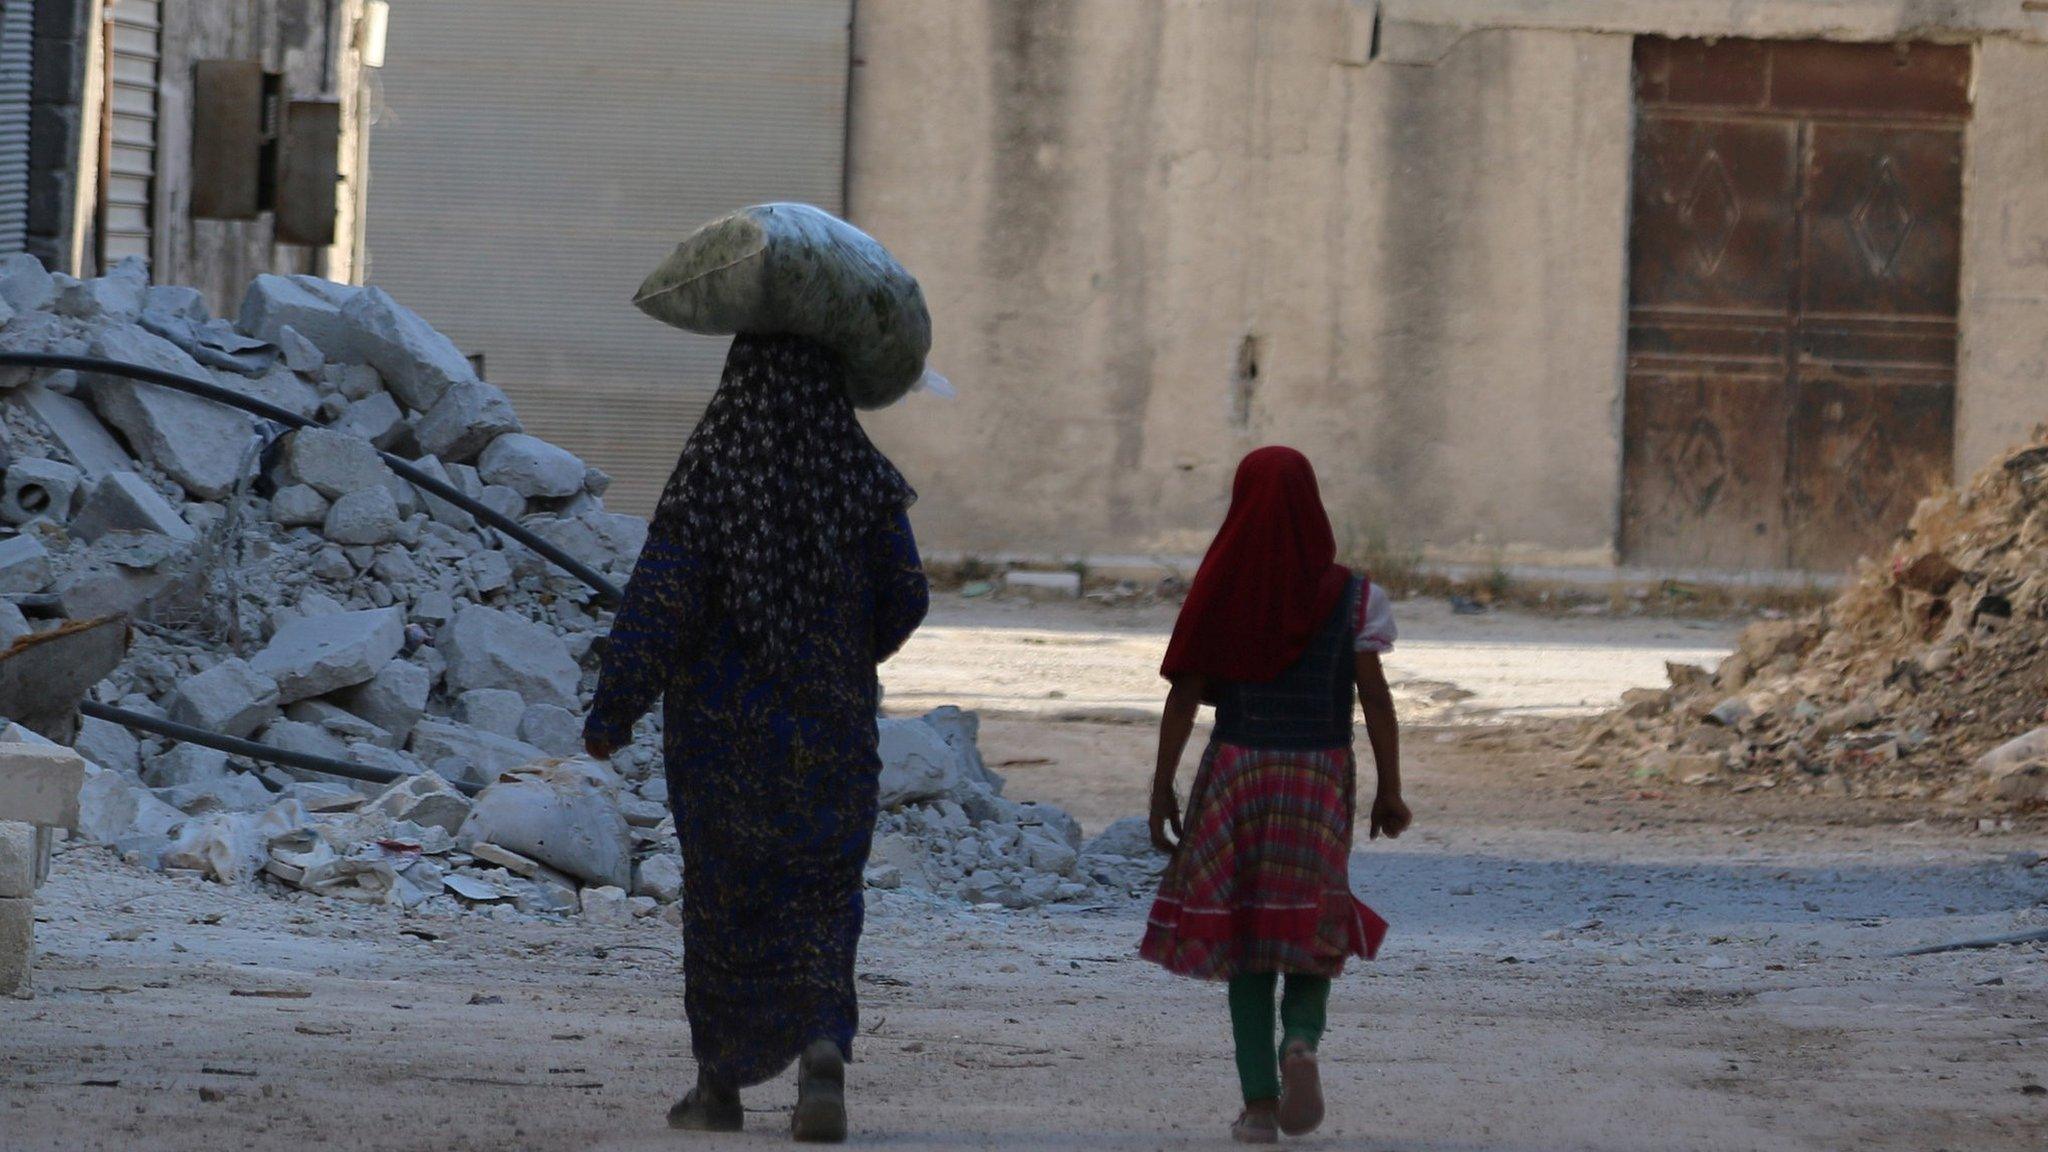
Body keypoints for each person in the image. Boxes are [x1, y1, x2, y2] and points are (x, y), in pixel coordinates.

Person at [583, 333, 929, 1143]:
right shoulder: (862, 478)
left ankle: (720, 1086)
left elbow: (660, 603)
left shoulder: (711, 475)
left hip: (719, 740)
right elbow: (907, 594)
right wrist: (843, 651)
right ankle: (819, 1051)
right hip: (831, 732)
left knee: (726, 901)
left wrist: (614, 710)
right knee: (821, 892)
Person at [1138, 445, 1410, 1144]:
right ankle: (1303, 1042)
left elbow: (1185, 696)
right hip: (1318, 778)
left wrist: (1162, 786)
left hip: (1238, 775)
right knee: (1312, 922)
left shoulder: (1219, 589)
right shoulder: (1355, 599)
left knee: (1246, 934)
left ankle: (1259, 1106)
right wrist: (1390, 789)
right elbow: (1375, 700)